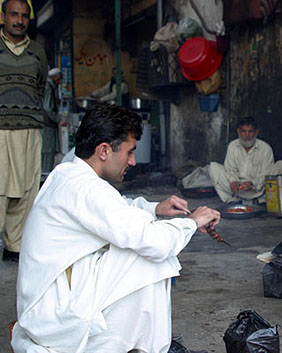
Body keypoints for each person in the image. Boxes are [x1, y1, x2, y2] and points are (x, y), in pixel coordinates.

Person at [12, 104, 221, 352]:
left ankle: (135, 343)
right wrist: (192, 222)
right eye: (129, 153)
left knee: (140, 245)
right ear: (103, 151)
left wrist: (156, 209)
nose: (132, 161)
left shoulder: (70, 171)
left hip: (50, 298)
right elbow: (154, 242)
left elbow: (118, 208)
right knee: (152, 257)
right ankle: (148, 348)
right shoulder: (85, 189)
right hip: (53, 315)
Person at [0, 0, 48, 262]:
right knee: (0, 189)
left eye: (24, 16)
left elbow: (39, 88)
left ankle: (14, 246)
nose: (19, 20)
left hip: (29, 128)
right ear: (3, 16)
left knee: (28, 189)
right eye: (14, 15)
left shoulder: (38, 52)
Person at [209, 116, 282, 204]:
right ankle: (233, 201)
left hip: (257, 189)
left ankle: (259, 200)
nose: (247, 135)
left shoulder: (265, 148)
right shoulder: (232, 146)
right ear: (238, 131)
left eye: (250, 132)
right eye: (243, 131)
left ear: (256, 132)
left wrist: (252, 183)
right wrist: (234, 181)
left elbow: (266, 174)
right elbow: (230, 169)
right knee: (213, 167)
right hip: (238, 189)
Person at [41, 68, 68, 173]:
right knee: (47, 152)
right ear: (55, 77)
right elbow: (47, 108)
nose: (60, 82)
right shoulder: (48, 88)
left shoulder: (49, 86)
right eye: (59, 78)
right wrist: (58, 120)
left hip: (47, 124)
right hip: (47, 125)